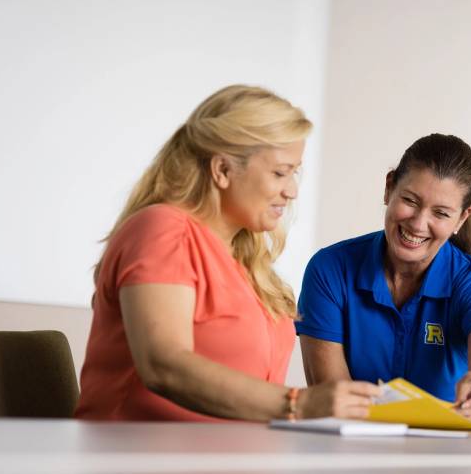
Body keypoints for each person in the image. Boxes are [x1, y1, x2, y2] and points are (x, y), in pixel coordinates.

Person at [75, 85, 380, 422]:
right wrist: (300, 404)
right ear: (222, 170)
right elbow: (163, 364)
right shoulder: (161, 230)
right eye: (280, 172)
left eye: (295, 173)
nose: (292, 190)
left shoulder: (244, 260)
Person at [296, 133, 471, 425]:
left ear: (462, 218)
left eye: (441, 213)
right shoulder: (330, 269)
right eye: (410, 200)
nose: (419, 223)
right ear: (389, 188)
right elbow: (333, 397)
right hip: (352, 452)